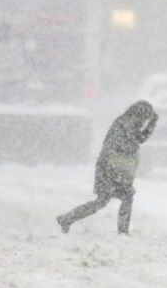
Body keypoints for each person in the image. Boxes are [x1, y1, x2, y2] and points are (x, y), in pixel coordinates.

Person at [57, 100, 159, 235]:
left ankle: (67, 219)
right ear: (140, 114)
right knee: (107, 200)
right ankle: (67, 219)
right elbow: (131, 143)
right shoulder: (124, 123)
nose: (145, 121)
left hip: (117, 169)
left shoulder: (129, 123)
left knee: (118, 198)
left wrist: (151, 124)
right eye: (146, 118)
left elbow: (139, 139)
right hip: (108, 169)